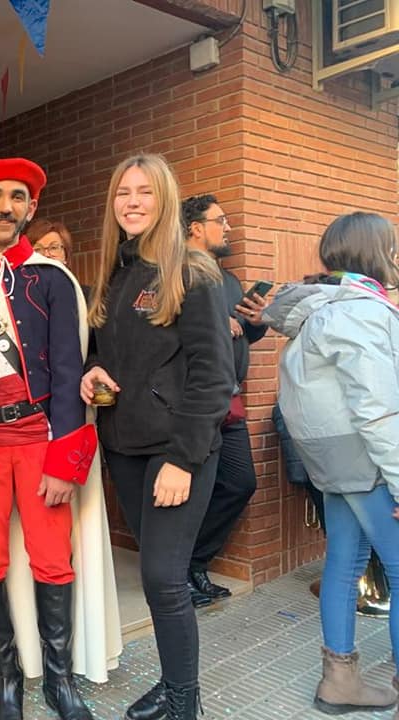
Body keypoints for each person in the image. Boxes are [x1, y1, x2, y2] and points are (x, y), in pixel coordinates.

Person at [0, 158, 103, 720]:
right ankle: (6, 679)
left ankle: (59, 683)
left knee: (52, 561)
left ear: (30, 208)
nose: (6, 207)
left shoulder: (52, 279)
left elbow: (68, 371)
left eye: (17, 197)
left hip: (42, 441)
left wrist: (67, 460)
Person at [80, 154, 233, 720]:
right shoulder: (115, 272)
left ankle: (184, 703)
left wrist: (183, 459)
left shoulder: (191, 272)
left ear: (165, 200)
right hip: (125, 446)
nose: (133, 202)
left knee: (164, 579)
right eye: (124, 192)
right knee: (157, 576)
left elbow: (214, 376)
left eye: (145, 191)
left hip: (177, 453)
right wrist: (90, 369)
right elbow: (107, 352)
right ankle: (174, 686)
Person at [261, 211, 399, 717]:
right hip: (368, 462)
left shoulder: (321, 309)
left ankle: (339, 681)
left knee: (344, 562)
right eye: (393, 246)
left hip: (335, 462)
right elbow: (378, 408)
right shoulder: (360, 311)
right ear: (375, 253)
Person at [181, 194, 267, 609]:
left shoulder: (227, 278)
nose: (227, 227)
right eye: (220, 220)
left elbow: (244, 335)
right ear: (195, 227)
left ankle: (194, 562)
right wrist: (219, 323)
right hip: (195, 405)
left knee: (239, 483)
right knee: (192, 492)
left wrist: (254, 322)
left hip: (229, 402)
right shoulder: (178, 272)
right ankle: (179, 576)